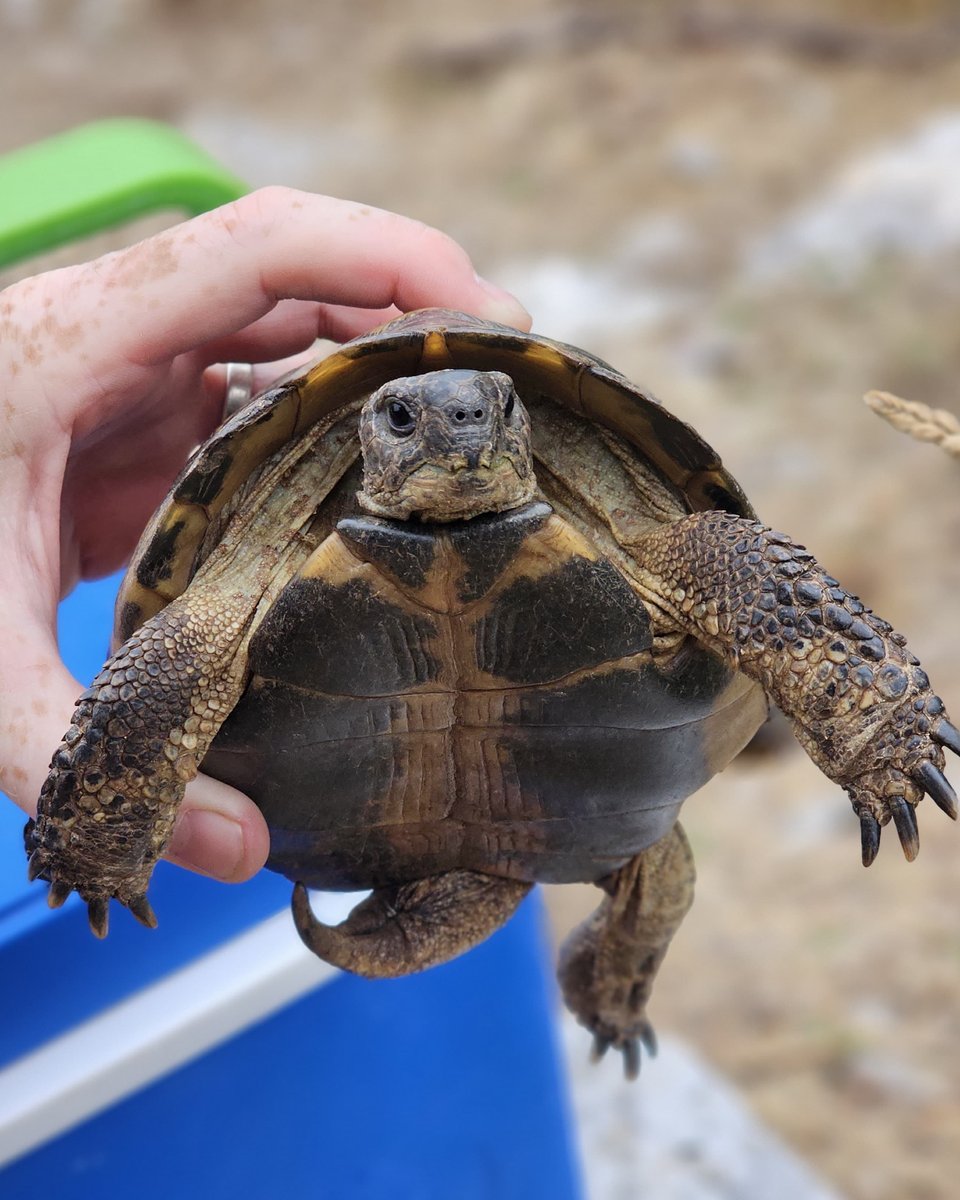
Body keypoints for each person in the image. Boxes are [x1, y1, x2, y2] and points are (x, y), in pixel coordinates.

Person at [0, 186, 530, 886]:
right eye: (403, 420)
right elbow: (168, 663)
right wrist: (99, 818)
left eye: (489, 410)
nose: (461, 430)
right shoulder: (259, 551)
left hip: (552, 792)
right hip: (340, 793)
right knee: (172, 669)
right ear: (368, 431)